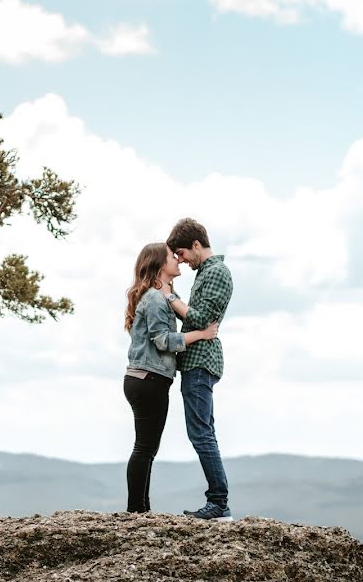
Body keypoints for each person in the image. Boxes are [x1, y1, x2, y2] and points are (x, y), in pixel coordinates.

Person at [124, 242, 218, 513]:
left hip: (149, 379)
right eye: (171, 257)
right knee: (144, 447)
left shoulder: (162, 295)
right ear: (159, 265)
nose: (177, 260)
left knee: (147, 447)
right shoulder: (154, 298)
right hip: (147, 380)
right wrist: (201, 335)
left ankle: (142, 508)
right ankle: (136, 511)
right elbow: (163, 341)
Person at [162, 218, 234, 521]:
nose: (180, 260)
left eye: (181, 253)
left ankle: (218, 502)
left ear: (195, 245)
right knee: (204, 432)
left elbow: (202, 318)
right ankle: (218, 501)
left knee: (201, 434)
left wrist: (169, 296)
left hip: (201, 361)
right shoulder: (206, 273)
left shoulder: (216, 273)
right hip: (197, 361)